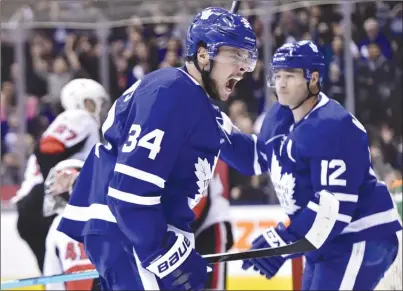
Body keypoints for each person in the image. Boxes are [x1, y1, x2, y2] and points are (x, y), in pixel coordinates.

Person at [57, 7, 257, 291]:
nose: (243, 67)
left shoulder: (197, 103)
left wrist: (308, 145)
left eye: (247, 58)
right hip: (132, 238)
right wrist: (166, 256)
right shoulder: (170, 93)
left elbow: (249, 155)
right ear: (203, 55)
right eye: (235, 55)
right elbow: (129, 196)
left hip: (138, 236)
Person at [219, 40, 402, 290]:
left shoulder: (333, 126)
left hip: (359, 236)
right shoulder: (278, 116)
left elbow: (334, 205)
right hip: (323, 239)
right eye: (278, 75)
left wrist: (285, 237)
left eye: (291, 75)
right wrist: (214, 131)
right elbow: (256, 158)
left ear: (313, 78)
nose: (281, 83)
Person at [14, 78, 109, 273]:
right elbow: (47, 149)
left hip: (34, 206)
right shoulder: (79, 117)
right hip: (43, 203)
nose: (98, 109)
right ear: (80, 101)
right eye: (93, 102)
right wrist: (58, 192)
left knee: (57, 275)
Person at [43, 159, 100, 291]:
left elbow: (52, 280)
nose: (54, 188)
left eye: (62, 180)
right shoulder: (57, 225)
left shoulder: (58, 225)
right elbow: (53, 279)